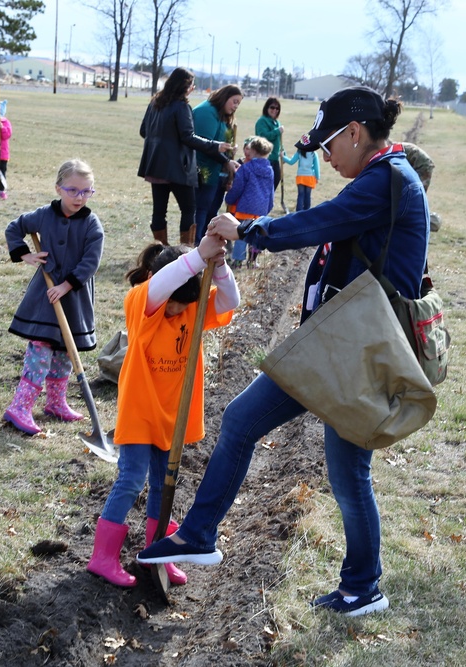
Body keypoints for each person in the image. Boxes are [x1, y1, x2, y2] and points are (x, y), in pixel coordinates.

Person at [137, 86, 430, 618]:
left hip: (351, 353)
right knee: (269, 433)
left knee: (322, 459)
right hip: (339, 345)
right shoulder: (384, 176)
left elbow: (315, 223)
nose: (324, 155)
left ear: (356, 133)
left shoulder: (386, 180)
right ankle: (208, 535)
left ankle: (355, 583)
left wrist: (250, 228)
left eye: (328, 144)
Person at [87, 235, 240, 587]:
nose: (175, 310)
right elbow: (164, 286)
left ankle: (156, 552)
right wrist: (199, 256)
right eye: (172, 304)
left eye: (182, 305)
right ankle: (103, 557)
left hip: (175, 412)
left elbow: (231, 300)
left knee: (164, 485)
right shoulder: (144, 301)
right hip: (141, 409)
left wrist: (218, 267)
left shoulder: (192, 307)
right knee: (131, 480)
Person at [3, 159, 105, 435]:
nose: (79, 197)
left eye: (86, 191)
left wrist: (66, 286)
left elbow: (90, 262)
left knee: (64, 352)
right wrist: (24, 254)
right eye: (73, 190)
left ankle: (56, 402)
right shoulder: (44, 215)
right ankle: (20, 406)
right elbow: (15, 227)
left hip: (73, 298)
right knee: (40, 350)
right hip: (44, 298)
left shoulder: (92, 225)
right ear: (58, 188)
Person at [137, 68, 232, 245]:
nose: (193, 88)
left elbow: (144, 131)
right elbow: (188, 137)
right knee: (189, 209)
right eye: (192, 85)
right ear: (185, 86)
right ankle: (186, 251)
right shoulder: (181, 106)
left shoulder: (155, 103)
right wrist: (215, 146)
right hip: (178, 169)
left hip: (155, 166)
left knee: (159, 211)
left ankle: (161, 250)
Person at [193, 85, 243, 245]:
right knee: (201, 210)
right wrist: (226, 161)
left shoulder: (222, 114)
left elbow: (221, 141)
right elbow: (205, 145)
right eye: (234, 101)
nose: (235, 106)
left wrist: (230, 151)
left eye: (238, 104)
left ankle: (207, 244)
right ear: (225, 96)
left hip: (217, 173)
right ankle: (196, 245)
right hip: (204, 171)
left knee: (211, 211)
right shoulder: (206, 112)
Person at [224, 137, 274, 269]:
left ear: (253, 150)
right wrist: (269, 206)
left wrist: (229, 199)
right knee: (256, 236)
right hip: (261, 209)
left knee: (242, 234)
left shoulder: (246, 168)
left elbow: (237, 188)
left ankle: (238, 261)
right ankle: (252, 261)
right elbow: (270, 191)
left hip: (245, 207)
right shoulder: (269, 169)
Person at [254, 97, 284, 191]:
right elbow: (264, 137)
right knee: (265, 185)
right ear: (267, 108)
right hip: (265, 158)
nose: (275, 110)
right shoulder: (262, 121)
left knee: (276, 179)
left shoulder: (276, 122)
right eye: (272, 107)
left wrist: (282, 151)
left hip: (275, 158)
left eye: (277, 108)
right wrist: (277, 131)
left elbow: (278, 140)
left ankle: (267, 203)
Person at [281, 147, 320, 212]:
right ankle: (307, 211)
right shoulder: (313, 153)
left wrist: (283, 157)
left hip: (301, 176)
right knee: (308, 195)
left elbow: (291, 162)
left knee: (300, 195)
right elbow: (316, 167)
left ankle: (298, 212)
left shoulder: (299, 152)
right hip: (310, 177)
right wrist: (317, 177)